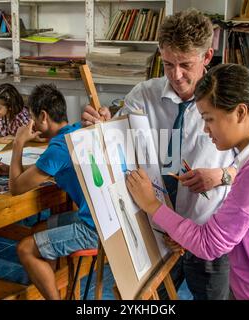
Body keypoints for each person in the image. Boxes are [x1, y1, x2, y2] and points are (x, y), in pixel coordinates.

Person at [126, 64, 249, 300]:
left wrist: (151, 204)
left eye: (209, 119)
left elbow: (209, 244)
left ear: (240, 112)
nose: (206, 129)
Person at [82, 9, 236, 299]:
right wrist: (103, 125)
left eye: (185, 64)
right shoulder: (144, 94)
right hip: (159, 230)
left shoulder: (229, 99)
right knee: (156, 300)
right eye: (167, 64)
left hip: (207, 231)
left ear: (207, 56)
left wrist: (223, 175)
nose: (176, 75)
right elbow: (118, 139)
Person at [0, 84, 98, 300]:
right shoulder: (77, 130)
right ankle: (48, 286)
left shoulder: (58, 148)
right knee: (38, 228)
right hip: (104, 219)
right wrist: (12, 170)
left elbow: (16, 188)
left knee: (25, 249)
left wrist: (19, 143)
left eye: (31, 117)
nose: (29, 124)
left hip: (94, 229)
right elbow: (47, 170)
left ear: (43, 116)